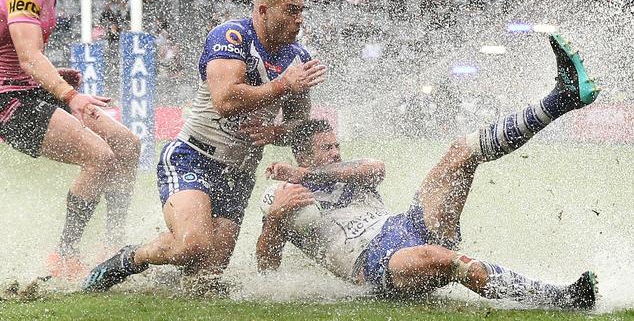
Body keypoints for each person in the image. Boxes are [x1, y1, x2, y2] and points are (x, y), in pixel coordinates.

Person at [255, 34, 599, 309]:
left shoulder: (347, 172)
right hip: (375, 261)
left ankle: (562, 98)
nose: (335, 153)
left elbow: (376, 168)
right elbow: (266, 271)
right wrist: (273, 220)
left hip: (404, 225)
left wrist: (307, 176)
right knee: (444, 260)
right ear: (302, 154)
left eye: (336, 146)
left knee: (461, 151)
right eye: (326, 149)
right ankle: (560, 298)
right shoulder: (279, 195)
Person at [83, 0, 327, 292]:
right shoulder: (232, 36)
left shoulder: (298, 58)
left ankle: (167, 269)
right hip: (193, 156)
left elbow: (298, 127)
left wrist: (275, 131)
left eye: (301, 11)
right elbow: (225, 100)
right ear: (264, 10)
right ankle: (130, 258)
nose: (299, 20)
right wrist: (283, 84)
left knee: (205, 280)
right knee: (191, 245)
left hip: (239, 172)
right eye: (291, 10)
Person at [0, 0, 141, 279]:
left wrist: (55, 77)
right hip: (2, 98)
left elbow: (24, 57)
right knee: (100, 157)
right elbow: (28, 58)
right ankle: (65, 256)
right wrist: (69, 95)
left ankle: (112, 244)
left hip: (28, 87)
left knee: (127, 144)